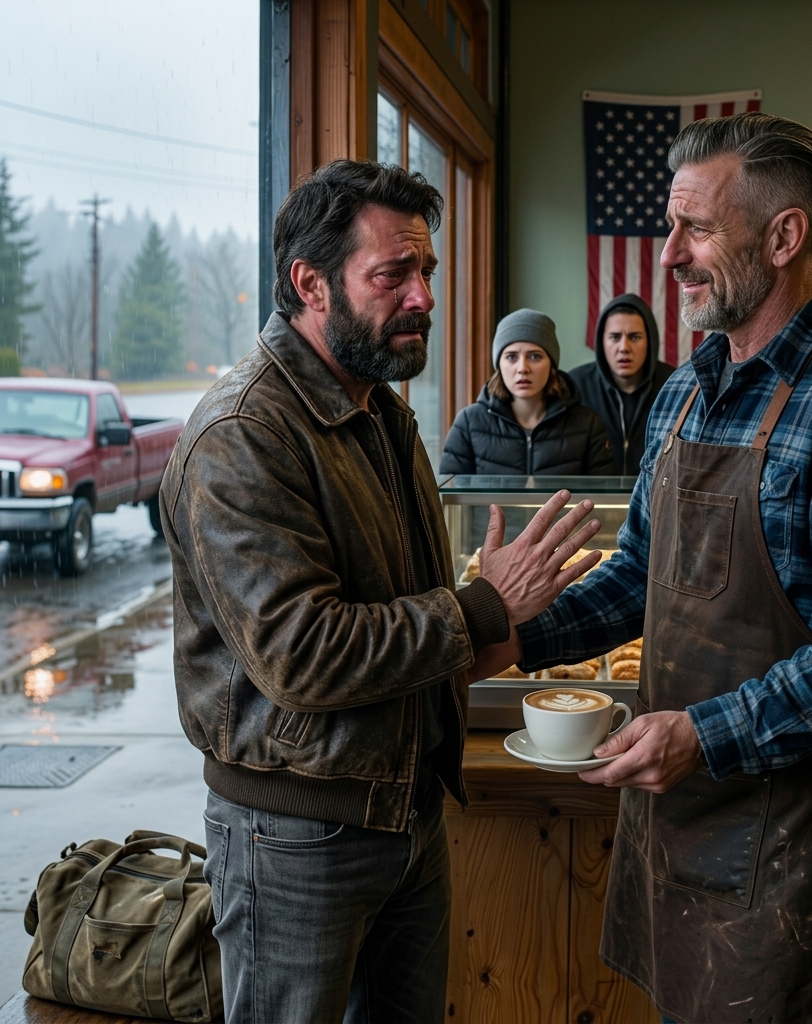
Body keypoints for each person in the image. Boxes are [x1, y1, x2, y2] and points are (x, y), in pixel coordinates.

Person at [472, 113, 812, 1024]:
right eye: (668, 225)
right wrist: (509, 630)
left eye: (695, 229)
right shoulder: (687, 390)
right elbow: (641, 572)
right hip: (682, 801)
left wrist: (705, 734)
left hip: (801, 818)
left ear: (783, 236)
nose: (667, 256)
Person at [159, 160, 603, 1024]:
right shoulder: (244, 432)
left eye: (427, 272)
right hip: (295, 838)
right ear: (309, 284)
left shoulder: (382, 413)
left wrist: (504, 631)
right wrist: (482, 606)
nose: (423, 297)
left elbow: (403, 612)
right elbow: (300, 653)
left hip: (405, 812)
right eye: (392, 275)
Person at [439, 308, 615, 475]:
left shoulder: (587, 424)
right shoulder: (469, 424)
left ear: (551, 364)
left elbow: (603, 499)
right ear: (499, 365)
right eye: (511, 357)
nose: (522, 368)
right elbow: (449, 499)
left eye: (534, 356)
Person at [569, 293, 674, 474]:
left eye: (634, 337)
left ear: (650, 341)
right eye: (615, 337)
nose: (624, 347)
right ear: (602, 341)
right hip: (594, 499)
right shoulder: (576, 386)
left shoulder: (674, 385)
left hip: (656, 498)